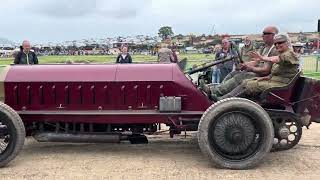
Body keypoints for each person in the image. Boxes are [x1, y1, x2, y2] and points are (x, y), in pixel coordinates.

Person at [216, 34, 300, 100]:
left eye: (280, 42)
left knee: (249, 85)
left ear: (287, 43)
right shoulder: (276, 52)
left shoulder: (290, 53)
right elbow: (273, 74)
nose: (277, 45)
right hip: (274, 81)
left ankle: (224, 101)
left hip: (281, 85)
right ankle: (222, 97)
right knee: (245, 81)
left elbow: (278, 59)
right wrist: (262, 78)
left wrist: (263, 58)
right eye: (276, 43)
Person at [204, 26, 279, 99]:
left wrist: (250, 68)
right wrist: (245, 65)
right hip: (257, 72)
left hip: (263, 76)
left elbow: (266, 71)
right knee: (233, 73)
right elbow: (256, 62)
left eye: (265, 33)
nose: (262, 35)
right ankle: (217, 91)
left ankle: (219, 96)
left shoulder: (274, 50)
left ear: (273, 35)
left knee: (240, 77)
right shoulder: (264, 48)